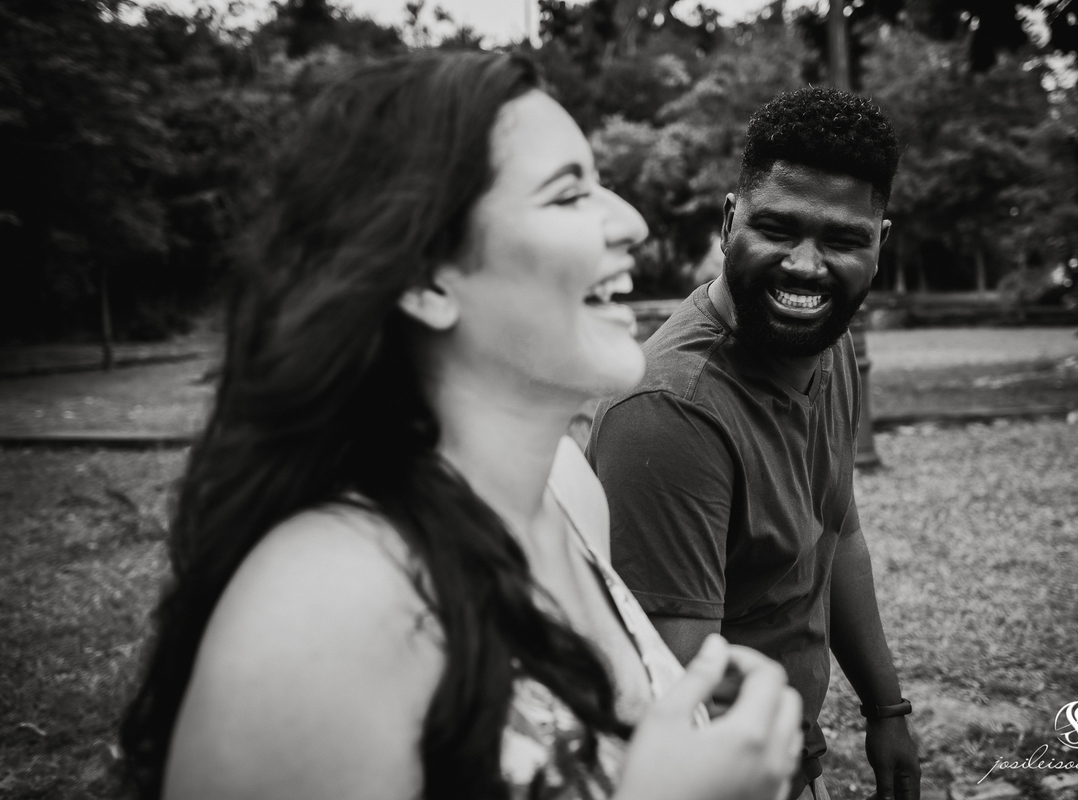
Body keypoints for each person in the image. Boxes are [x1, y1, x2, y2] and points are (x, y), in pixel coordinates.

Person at [119, 51, 804, 800]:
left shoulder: (571, 492)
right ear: (424, 278)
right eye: (568, 193)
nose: (630, 222)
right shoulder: (323, 603)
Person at [588, 87, 921, 800]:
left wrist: (886, 708)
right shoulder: (671, 414)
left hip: (790, 751)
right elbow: (683, 704)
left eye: (841, 239)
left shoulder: (821, 343)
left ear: (880, 242)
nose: (805, 266)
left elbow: (838, 530)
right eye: (778, 228)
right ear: (729, 220)